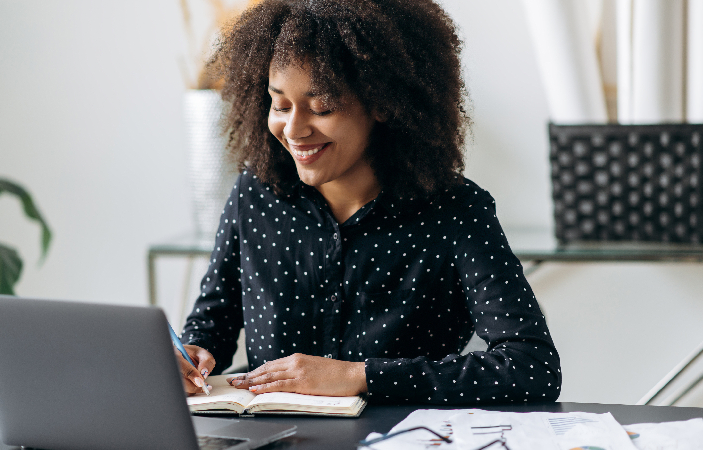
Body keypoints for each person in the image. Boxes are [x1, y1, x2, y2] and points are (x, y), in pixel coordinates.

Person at [176, 0, 562, 404]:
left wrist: (361, 376)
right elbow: (211, 321)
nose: (293, 129)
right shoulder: (254, 194)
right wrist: (195, 353)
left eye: (321, 107)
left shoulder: (456, 212)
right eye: (280, 104)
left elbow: (532, 366)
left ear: (383, 102)